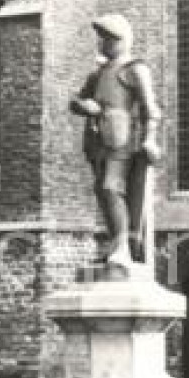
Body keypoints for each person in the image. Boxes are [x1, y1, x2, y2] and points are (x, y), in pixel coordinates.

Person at [69, 14, 163, 267]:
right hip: (98, 140)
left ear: (122, 40)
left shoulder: (134, 68)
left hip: (123, 138)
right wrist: (85, 106)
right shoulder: (98, 74)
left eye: (110, 39)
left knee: (112, 187)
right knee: (102, 190)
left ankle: (124, 247)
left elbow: (150, 108)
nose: (104, 44)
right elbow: (75, 101)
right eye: (103, 39)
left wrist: (150, 139)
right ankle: (115, 243)